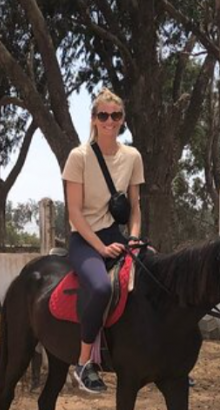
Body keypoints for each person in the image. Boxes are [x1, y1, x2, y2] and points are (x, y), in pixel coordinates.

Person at [62, 88, 144, 394]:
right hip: (85, 239)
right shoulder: (78, 157)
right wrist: (99, 247)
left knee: (156, 274)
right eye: (103, 115)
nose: (110, 121)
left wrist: (133, 239)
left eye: (116, 115)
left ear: (122, 119)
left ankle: (160, 354)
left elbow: (135, 207)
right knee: (100, 287)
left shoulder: (132, 156)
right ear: (94, 119)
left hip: (119, 237)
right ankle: (83, 362)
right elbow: (74, 211)